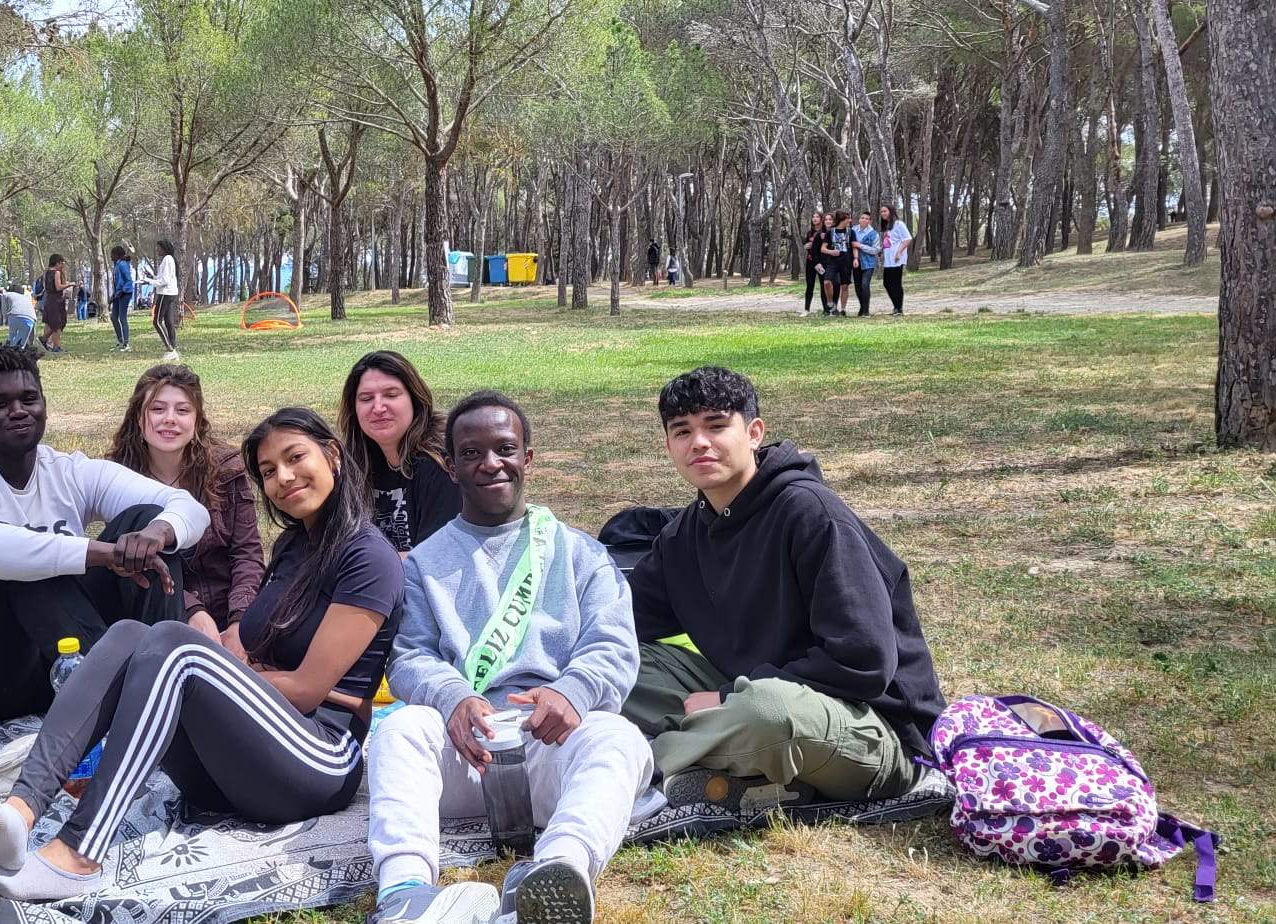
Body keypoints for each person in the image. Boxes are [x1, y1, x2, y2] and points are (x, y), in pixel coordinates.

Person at [0, 407, 402, 903]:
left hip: (318, 761)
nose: (284, 478)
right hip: (235, 775)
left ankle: (79, 853)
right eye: (269, 471)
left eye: (295, 458)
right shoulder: (296, 546)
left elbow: (308, 689)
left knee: (171, 645)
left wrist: (207, 670)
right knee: (127, 635)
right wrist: (213, 668)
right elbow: (254, 655)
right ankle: (20, 814)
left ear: (332, 455)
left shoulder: (368, 556)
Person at [620, 367, 949, 842]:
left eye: (716, 426)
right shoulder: (685, 534)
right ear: (668, 446)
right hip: (750, 694)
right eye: (682, 431)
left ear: (753, 433)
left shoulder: (811, 514)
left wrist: (728, 699)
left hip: (869, 728)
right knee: (623, 665)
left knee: (767, 712)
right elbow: (624, 620)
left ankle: (633, 766)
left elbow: (864, 659)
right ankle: (739, 769)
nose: (699, 443)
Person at [367, 391, 653, 924]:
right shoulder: (423, 565)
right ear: (450, 467)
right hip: (465, 750)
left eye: (505, 448)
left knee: (621, 739)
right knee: (399, 729)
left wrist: (572, 692)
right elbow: (408, 658)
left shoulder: (580, 553)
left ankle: (555, 875)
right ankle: (405, 895)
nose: (490, 463)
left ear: (528, 457)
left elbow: (613, 646)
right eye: (471, 453)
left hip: (552, 748)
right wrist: (453, 697)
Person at [0, 345, 212, 725]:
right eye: (0, 403)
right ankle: (123, 697)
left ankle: (158, 680)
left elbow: (188, 508)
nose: (18, 410)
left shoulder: (68, 470)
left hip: (46, 663)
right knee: (15, 560)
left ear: (44, 405)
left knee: (147, 519)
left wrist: (158, 532)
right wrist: (102, 553)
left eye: (29, 399)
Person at [107, 364, 266, 643]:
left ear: (197, 421)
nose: (170, 419)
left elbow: (247, 554)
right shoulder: (118, 477)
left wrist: (241, 622)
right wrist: (191, 609)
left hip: (232, 612)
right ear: (138, 418)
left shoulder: (227, 470)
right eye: (157, 409)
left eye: (182, 410)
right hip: (159, 613)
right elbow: (135, 566)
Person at [338, 351, 461, 555]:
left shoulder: (439, 462)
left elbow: (434, 559)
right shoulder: (358, 462)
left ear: (414, 399)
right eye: (366, 398)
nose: (378, 407)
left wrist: (361, 566)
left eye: (391, 395)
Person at [141, 239, 182, 361]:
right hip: (170, 293)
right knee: (169, 322)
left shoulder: (167, 259)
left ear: (164, 249)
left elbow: (164, 281)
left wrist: (148, 281)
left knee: (157, 322)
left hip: (165, 293)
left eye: (159, 248)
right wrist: (151, 277)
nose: (157, 250)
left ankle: (170, 349)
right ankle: (172, 349)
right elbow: (161, 278)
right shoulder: (169, 260)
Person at [818, 210, 854, 316]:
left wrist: (855, 258)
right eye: (848, 218)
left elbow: (854, 246)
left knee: (845, 286)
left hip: (846, 262)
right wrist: (831, 251)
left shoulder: (851, 232)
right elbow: (823, 249)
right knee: (827, 282)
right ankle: (830, 303)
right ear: (842, 219)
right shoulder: (831, 232)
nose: (850, 220)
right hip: (832, 262)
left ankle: (843, 310)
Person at [879, 205, 911, 315]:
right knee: (887, 283)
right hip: (888, 259)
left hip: (897, 259)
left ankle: (899, 308)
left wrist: (899, 252)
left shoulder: (899, 224)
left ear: (891, 211)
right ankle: (896, 306)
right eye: (881, 211)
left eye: (885, 211)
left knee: (896, 283)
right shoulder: (887, 226)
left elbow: (907, 239)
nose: (883, 213)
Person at [38, 255, 72, 354]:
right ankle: (47, 341)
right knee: (58, 324)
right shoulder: (56, 272)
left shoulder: (47, 273)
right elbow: (58, 287)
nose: (62, 266)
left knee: (50, 323)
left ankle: (50, 344)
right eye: (61, 263)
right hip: (56, 301)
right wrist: (69, 284)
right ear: (57, 263)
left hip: (49, 300)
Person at [852, 212, 880, 318]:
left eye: (867, 219)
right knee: (858, 286)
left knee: (865, 284)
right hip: (856, 262)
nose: (864, 220)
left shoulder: (874, 234)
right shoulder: (853, 230)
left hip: (868, 263)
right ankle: (862, 307)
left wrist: (860, 246)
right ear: (859, 219)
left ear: (870, 221)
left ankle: (866, 310)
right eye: (862, 218)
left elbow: (876, 250)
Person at [109, 245, 136, 352]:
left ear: (117, 255)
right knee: (114, 317)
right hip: (118, 294)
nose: (110, 256)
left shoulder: (123, 265)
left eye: (112, 254)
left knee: (122, 317)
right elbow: (117, 282)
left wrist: (122, 291)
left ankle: (126, 343)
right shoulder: (116, 265)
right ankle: (120, 340)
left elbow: (129, 280)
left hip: (125, 293)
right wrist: (114, 295)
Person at [799, 213, 823, 317]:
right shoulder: (809, 233)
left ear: (821, 219)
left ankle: (826, 309)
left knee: (824, 285)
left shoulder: (825, 232)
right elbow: (806, 245)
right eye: (813, 217)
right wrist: (805, 246)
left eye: (817, 217)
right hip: (810, 262)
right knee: (810, 286)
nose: (815, 219)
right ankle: (806, 309)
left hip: (822, 263)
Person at [2, 284, 37, 349]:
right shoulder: (26, 298)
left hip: (14, 315)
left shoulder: (7, 294)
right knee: (21, 344)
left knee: (12, 339)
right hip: (31, 319)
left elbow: (4, 310)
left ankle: (10, 347)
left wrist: (5, 318)